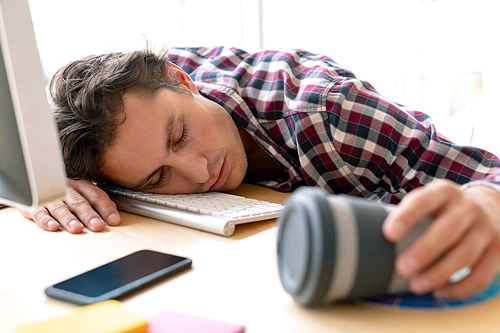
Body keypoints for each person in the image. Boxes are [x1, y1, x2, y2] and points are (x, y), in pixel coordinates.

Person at [22, 46, 500, 301]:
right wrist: (44, 182)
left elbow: (488, 177)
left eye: (180, 136)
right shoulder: (128, 118)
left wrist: (488, 201)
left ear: (181, 80)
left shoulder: (329, 112)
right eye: (155, 179)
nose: (199, 171)